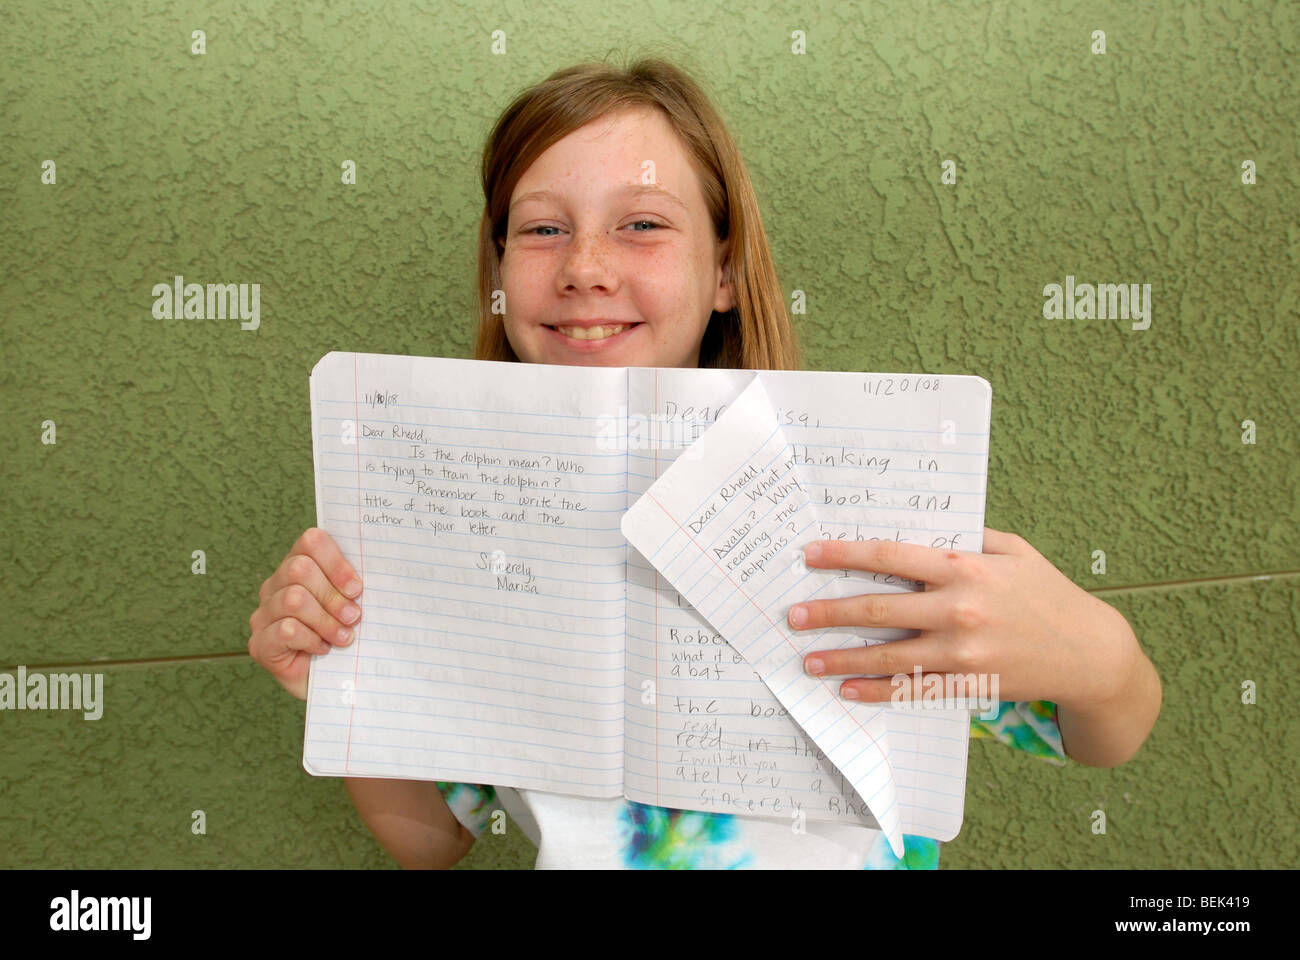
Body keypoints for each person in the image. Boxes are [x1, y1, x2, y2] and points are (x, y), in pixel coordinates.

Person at [248, 56, 1162, 869]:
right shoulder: (445, 523)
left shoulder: (861, 490)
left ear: (724, 272)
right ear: (496, 272)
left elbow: (1102, 735)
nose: (586, 269)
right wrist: (337, 682)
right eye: (540, 231)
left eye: (642, 223)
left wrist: (1103, 657)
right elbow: (433, 840)